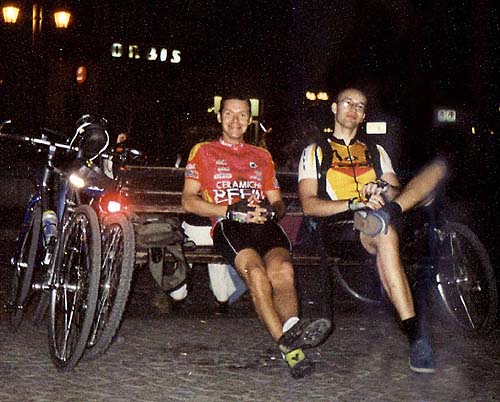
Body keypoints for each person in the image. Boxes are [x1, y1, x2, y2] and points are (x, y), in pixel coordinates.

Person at [181, 94, 332, 378]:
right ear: (219, 117)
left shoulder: (261, 155)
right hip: (229, 224)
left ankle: (292, 328)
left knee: (283, 269)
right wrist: (229, 210)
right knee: (257, 273)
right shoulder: (202, 151)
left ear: (250, 120)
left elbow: (278, 202)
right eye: (229, 114)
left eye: (242, 115)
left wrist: (273, 211)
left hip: (264, 224)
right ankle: (292, 352)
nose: (235, 121)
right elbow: (188, 201)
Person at [297, 87, 435, 373]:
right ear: (334, 108)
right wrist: (353, 202)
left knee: (389, 227)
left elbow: (397, 191)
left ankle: (414, 335)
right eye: (347, 103)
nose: (353, 109)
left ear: (363, 116)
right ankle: (415, 335)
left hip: (379, 219)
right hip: (340, 226)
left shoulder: (375, 151)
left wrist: (382, 187)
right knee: (385, 233)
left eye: (360, 106)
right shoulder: (315, 152)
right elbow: (309, 205)